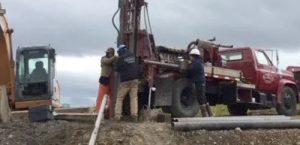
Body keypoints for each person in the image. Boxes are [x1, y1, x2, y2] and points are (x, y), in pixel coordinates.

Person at [114, 44, 139, 121]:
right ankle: (134, 116)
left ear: (120, 51)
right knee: (134, 98)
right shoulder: (133, 55)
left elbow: (116, 69)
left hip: (125, 80)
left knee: (119, 98)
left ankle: (118, 116)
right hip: (135, 79)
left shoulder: (120, 58)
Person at [187, 48, 213, 117]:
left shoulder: (196, 63)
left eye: (191, 56)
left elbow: (191, 71)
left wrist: (189, 65)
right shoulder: (199, 61)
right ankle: (210, 114)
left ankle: (204, 115)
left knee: (200, 97)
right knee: (203, 97)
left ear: (193, 56)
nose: (190, 58)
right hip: (201, 81)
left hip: (199, 82)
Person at [95, 47, 117, 118]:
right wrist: (115, 57)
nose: (107, 54)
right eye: (107, 52)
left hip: (112, 80)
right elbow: (107, 61)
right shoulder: (103, 58)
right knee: (101, 96)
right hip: (105, 79)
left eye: (109, 53)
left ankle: (110, 113)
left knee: (112, 97)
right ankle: (98, 113)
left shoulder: (113, 60)